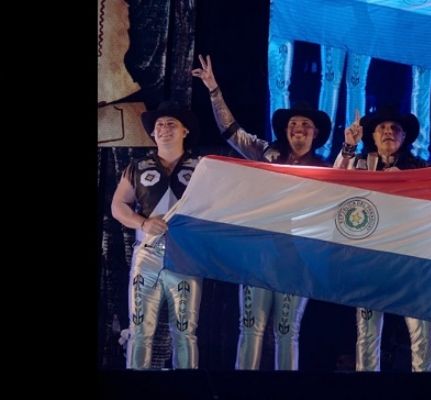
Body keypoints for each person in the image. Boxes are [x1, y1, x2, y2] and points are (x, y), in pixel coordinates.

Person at [192, 55, 331, 370]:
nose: (298, 129)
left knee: (287, 331)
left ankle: (285, 391)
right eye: (292, 124)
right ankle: (243, 390)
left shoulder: (325, 170)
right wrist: (214, 90)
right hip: (260, 253)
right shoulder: (267, 153)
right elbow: (231, 131)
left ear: (315, 133)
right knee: (250, 327)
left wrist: (349, 149)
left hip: (298, 258)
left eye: (305, 125)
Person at [333, 107, 431, 373]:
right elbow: (333, 182)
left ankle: (425, 389)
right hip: (370, 259)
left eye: (395, 128)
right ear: (373, 136)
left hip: (410, 259)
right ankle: (367, 389)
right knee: (367, 332)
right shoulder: (359, 163)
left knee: (420, 331)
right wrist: (349, 146)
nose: (388, 132)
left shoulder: (419, 168)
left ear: (405, 136)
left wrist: (405, 183)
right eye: (382, 128)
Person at [111, 100, 204, 369]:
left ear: (185, 130)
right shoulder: (137, 166)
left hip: (186, 258)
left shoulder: (202, 167)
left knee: (185, 332)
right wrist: (142, 222)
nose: (164, 128)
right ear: (153, 133)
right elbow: (118, 205)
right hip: (147, 255)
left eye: (171, 124)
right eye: (159, 125)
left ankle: (188, 388)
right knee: (140, 330)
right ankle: (136, 388)